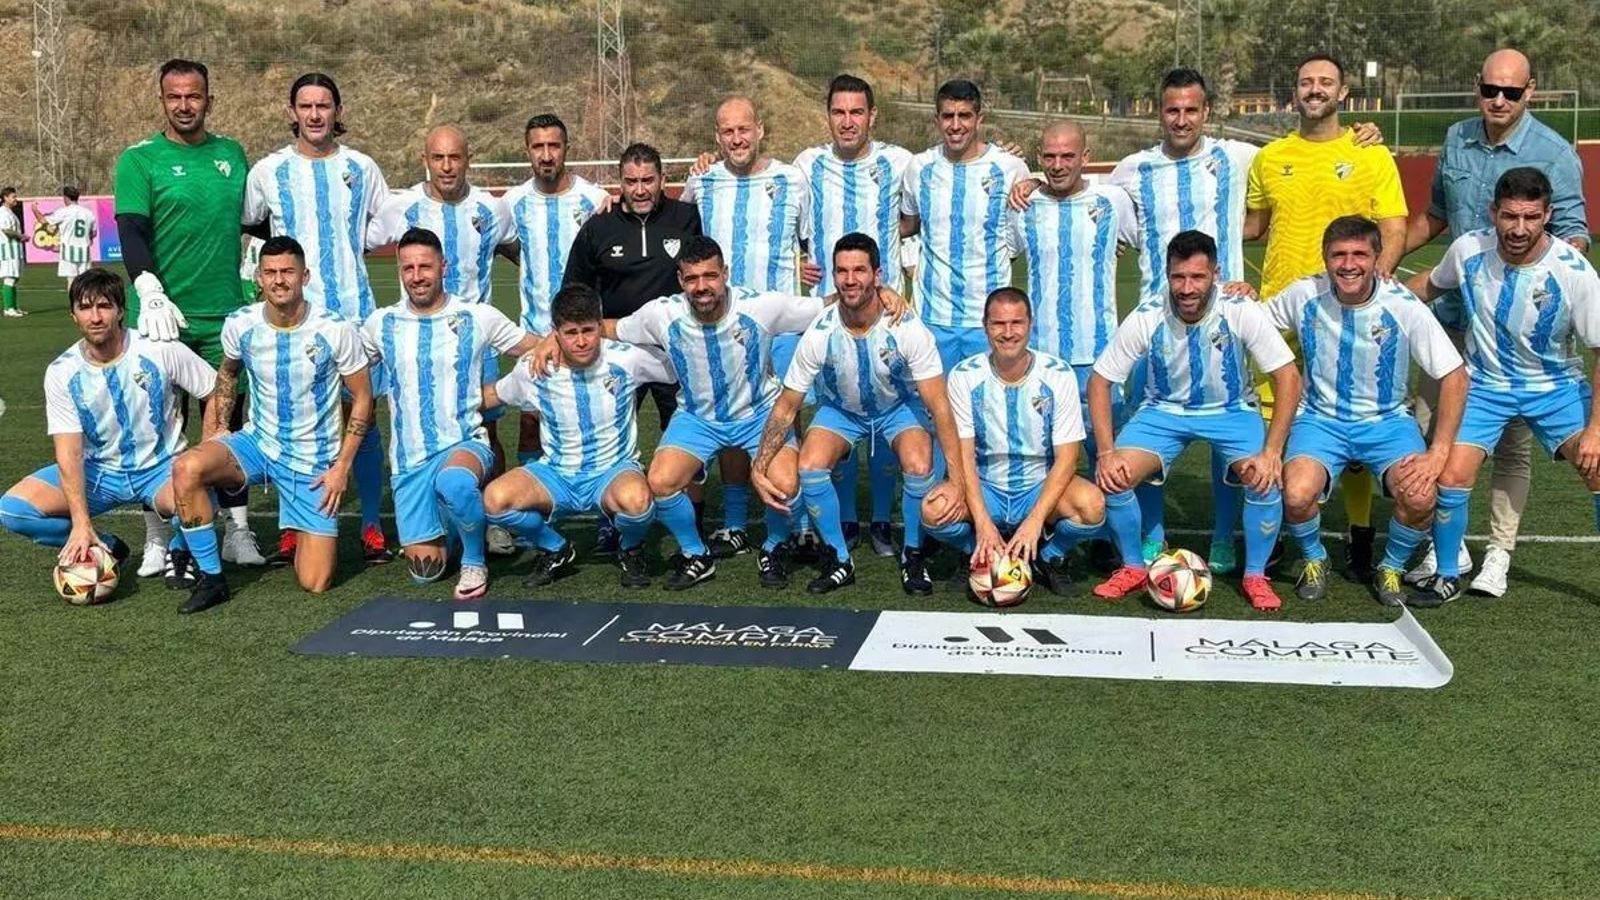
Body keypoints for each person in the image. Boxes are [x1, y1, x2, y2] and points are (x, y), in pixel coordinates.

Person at [537, 236, 838, 590]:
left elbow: (825, 305)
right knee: (661, 482)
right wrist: (551, 338)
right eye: (692, 278)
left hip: (759, 415)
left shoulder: (762, 307)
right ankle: (697, 554)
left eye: (709, 276)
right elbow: (607, 327)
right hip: (697, 419)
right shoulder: (661, 314)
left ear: (724, 274)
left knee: (785, 483)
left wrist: (881, 294)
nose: (701, 286)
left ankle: (774, 545)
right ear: (680, 281)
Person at [1401, 48, 1591, 597]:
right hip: (1454, 324)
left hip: (1524, 339)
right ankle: (1450, 547)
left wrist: (1535, 294)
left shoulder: (1554, 153)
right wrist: (1379, 273)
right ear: (1477, 88)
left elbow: (1571, 234)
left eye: (1511, 91)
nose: (1500, 100)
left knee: (1512, 448)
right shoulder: (1457, 138)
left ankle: (1499, 554)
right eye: (1491, 90)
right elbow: (1435, 217)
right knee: (1432, 436)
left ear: (1530, 90)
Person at [1244, 53, 1408, 581]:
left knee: (1351, 417)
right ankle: (1270, 534)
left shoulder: (1369, 153)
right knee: (1271, 421)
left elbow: (1395, 225)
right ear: (1294, 93)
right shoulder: (1269, 158)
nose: (1315, 90)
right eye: (1306, 82)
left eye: (1325, 83)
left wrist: (1371, 290)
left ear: (1343, 93)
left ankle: (1359, 533)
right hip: (1279, 311)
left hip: (1345, 314)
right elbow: (1252, 226)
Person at [1087, 231, 1301, 612]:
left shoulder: (1240, 309)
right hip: (1162, 413)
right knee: (1114, 474)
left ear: (1215, 274)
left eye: (1197, 277)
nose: (1186, 288)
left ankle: (1255, 575)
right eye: (1178, 277)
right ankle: (1134, 566)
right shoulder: (1149, 314)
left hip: (1231, 411)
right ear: (1167, 275)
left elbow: (1288, 376)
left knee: (1265, 478)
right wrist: (1105, 452)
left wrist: (1272, 450)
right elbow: (1100, 380)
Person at [1265, 216, 1467, 606]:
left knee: (1422, 496)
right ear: (1325, 259)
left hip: (1387, 422)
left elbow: (1455, 376)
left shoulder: (1400, 303)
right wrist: (1236, 295)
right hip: (1321, 420)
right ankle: (1314, 558)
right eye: (1338, 254)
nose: (1348, 264)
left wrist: (1438, 452)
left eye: (1360, 254)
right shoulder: (1304, 294)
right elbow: (1254, 322)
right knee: (1295, 494)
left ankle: (1389, 567)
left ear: (1377, 258)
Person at [168, 237, 374, 613]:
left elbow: (362, 396)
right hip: (257, 444)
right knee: (187, 467)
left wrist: (342, 467)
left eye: (287, 272)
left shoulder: (335, 329)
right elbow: (228, 375)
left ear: (304, 276)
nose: (279, 280)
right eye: (271, 272)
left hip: (312, 461)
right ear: (259, 278)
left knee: (316, 582)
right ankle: (212, 579)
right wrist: (217, 429)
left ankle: (297, 522)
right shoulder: (241, 323)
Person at [751, 233, 960, 594]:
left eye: (860, 270)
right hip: (841, 411)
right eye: (842, 271)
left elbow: (939, 405)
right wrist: (758, 466)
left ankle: (912, 553)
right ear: (833, 276)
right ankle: (839, 558)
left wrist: (956, 478)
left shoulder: (907, 328)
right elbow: (787, 406)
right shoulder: (820, 332)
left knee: (919, 462)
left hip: (896, 408)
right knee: (811, 465)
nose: (850, 280)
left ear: (877, 275)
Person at [113, 59, 259, 576]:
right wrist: (148, 288)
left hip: (224, 315)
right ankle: (158, 534)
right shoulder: (140, 159)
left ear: (209, 100)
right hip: (161, 318)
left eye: (193, 96)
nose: (184, 105)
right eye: (174, 96)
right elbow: (130, 230)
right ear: (162, 101)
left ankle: (238, 530)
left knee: (226, 423)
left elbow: (256, 221)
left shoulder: (232, 155)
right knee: (159, 427)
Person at [243, 71, 390, 566]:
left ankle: (371, 524)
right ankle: (292, 524)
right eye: (305, 106)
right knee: (293, 421)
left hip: (353, 314)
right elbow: (252, 225)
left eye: (323, 105)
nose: (314, 114)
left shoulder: (363, 167)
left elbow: (381, 226)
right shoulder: (268, 171)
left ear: (338, 111)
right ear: (292, 113)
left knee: (364, 420)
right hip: (291, 317)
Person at [0, 269, 215, 592]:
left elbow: (215, 388)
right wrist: (82, 524)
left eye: (104, 306)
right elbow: (68, 451)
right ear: (73, 315)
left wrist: (208, 449)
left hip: (161, 468)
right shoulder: (62, 372)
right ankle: (107, 546)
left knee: (205, 489)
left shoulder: (158, 349)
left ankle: (179, 548)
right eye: (86, 308)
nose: (96, 316)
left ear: (120, 311)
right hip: (99, 472)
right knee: (12, 510)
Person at [361, 228, 545, 600]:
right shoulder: (381, 324)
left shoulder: (476, 316)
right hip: (409, 463)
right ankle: (469, 525)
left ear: (442, 267)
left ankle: (475, 560)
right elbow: (351, 371)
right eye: (408, 267)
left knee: (456, 484)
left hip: (465, 444)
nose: (417, 276)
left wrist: (505, 389)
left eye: (425, 266)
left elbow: (533, 349)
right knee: (426, 571)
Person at [369, 125, 519, 552]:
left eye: (455, 157)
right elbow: (357, 242)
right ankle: (437, 514)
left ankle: (492, 518)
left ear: (468, 159)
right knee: (419, 429)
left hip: (477, 342)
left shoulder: (493, 209)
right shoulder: (403, 207)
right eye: (439, 158)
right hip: (419, 341)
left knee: (487, 435)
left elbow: (511, 248)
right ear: (425, 161)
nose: (447, 166)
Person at [794, 74, 917, 558]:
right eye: (839, 113)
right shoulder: (807, 164)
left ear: (873, 117)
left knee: (888, 412)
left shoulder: (899, 162)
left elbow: (912, 217)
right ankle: (845, 519)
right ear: (828, 116)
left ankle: (883, 520)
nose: (848, 122)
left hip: (887, 309)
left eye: (857, 112)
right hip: (829, 313)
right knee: (838, 410)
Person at [681, 96, 810, 559]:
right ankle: (735, 523)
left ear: (761, 129)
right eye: (727, 132)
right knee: (731, 422)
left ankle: (794, 520)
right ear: (717, 138)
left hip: (779, 326)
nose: (737, 138)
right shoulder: (702, 182)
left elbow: (808, 246)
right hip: (720, 327)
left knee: (788, 419)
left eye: (744, 129)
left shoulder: (793, 179)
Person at [920, 288, 1110, 595]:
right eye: (998, 324)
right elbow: (964, 455)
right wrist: (981, 522)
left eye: (1016, 323)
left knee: (1093, 505)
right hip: (985, 484)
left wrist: (1035, 522)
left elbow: (1067, 459)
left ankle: (1049, 556)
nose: (1008, 333)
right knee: (934, 509)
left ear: (1030, 325)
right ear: (985, 327)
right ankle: (975, 551)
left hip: (1038, 486)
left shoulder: (1058, 374)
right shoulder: (964, 376)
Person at [483, 283, 673, 588]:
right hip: (556, 474)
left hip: (613, 471)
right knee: (495, 500)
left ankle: (630, 548)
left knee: (638, 503)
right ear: (554, 332)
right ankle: (556, 548)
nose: (582, 341)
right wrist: (449, 406)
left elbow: (678, 368)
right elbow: (495, 395)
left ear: (601, 326)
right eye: (571, 333)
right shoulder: (535, 367)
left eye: (589, 330)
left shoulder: (627, 358)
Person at [563, 141, 703, 551]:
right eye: (631, 182)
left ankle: (691, 522)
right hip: (618, 353)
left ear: (662, 180)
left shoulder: (686, 218)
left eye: (647, 181)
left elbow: (702, 276)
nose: (640, 189)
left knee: (684, 434)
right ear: (619, 183)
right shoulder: (598, 227)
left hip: (674, 353)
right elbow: (576, 289)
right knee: (612, 436)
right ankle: (614, 518)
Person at [502, 113, 611, 465]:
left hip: (585, 332)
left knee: (595, 420)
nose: (546, 155)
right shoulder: (512, 202)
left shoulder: (594, 199)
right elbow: (504, 244)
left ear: (566, 149)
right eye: (538, 146)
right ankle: (529, 503)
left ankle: (600, 503)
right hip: (536, 333)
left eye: (553, 146)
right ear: (527, 150)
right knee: (531, 422)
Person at [900, 79, 1031, 369]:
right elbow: (907, 224)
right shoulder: (919, 168)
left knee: (987, 410)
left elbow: (1024, 228)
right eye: (948, 116)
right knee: (932, 411)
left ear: (979, 119)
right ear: (937, 120)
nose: (956, 125)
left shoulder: (1009, 168)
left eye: (965, 116)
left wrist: (1035, 181)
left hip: (988, 319)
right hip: (932, 317)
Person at [34, 186, 97, 285]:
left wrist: (34, 210)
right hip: (84, 251)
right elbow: (93, 233)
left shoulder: (63, 212)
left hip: (68, 251)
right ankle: (83, 300)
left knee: (71, 280)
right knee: (85, 281)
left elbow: (43, 221)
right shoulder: (88, 213)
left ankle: (74, 300)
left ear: (66, 198)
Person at [0, 187, 24, 317]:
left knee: (14, 278)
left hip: (15, 249)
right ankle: (8, 308)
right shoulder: (3, 213)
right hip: (8, 250)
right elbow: (6, 230)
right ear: (5, 198)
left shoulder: (10, 212)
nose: (16, 199)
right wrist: (21, 236)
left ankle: (14, 307)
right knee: (9, 277)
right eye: (13, 197)